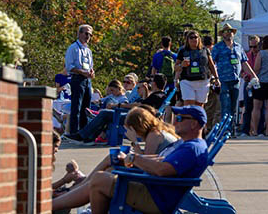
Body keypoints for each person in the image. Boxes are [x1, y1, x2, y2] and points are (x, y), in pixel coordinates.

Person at [52, 105, 209, 214]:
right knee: (108, 172)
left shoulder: (192, 148)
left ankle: (49, 206)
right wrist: (134, 159)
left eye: (180, 118)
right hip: (155, 188)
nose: (175, 121)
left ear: (194, 124)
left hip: (157, 197)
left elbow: (161, 169)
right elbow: (161, 161)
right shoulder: (188, 144)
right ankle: (56, 204)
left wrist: (133, 158)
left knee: (100, 179)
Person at [64, 74, 168, 145]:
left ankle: (83, 136)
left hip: (136, 117)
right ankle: (88, 137)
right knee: (105, 114)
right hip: (136, 114)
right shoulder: (158, 95)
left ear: (154, 83)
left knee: (105, 114)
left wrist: (118, 106)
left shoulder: (157, 96)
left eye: (151, 81)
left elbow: (138, 105)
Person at [212, 23, 258, 132]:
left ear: (233, 33)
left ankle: (231, 129)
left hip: (236, 81)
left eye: (230, 31)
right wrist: (214, 78)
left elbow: (244, 63)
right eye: (226, 32)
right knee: (225, 106)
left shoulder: (238, 47)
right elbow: (212, 63)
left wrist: (254, 75)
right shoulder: (218, 47)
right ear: (222, 34)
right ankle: (225, 130)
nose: (228, 33)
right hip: (223, 80)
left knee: (233, 108)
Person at [175, 30, 220, 107]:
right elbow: (176, 67)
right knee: (188, 106)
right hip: (187, 82)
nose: (193, 39)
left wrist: (216, 78)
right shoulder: (182, 51)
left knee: (199, 107)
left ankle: (197, 119)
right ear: (187, 40)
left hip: (203, 82)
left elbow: (211, 65)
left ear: (199, 39)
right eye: (191, 37)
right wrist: (181, 65)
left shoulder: (205, 50)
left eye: (195, 37)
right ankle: (188, 119)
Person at [65, 24, 95, 133]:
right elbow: (69, 67)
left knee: (86, 107)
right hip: (77, 79)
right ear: (79, 34)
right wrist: (82, 72)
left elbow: (90, 66)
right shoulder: (73, 48)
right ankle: (74, 132)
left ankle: (84, 132)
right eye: (86, 33)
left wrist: (91, 72)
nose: (88, 37)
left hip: (87, 80)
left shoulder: (88, 50)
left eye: (90, 35)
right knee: (76, 107)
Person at [240, 36, 260, 136]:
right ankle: (245, 130)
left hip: (258, 84)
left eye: (255, 46)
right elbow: (241, 71)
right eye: (250, 46)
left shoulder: (261, 56)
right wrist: (244, 76)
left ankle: (259, 130)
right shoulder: (246, 56)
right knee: (247, 107)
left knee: (260, 108)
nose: (252, 49)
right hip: (248, 84)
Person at [202, 35, 221, 132]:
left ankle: (208, 128)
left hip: (207, 80)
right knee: (217, 107)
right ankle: (214, 128)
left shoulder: (202, 52)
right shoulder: (216, 50)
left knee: (208, 106)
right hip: (215, 80)